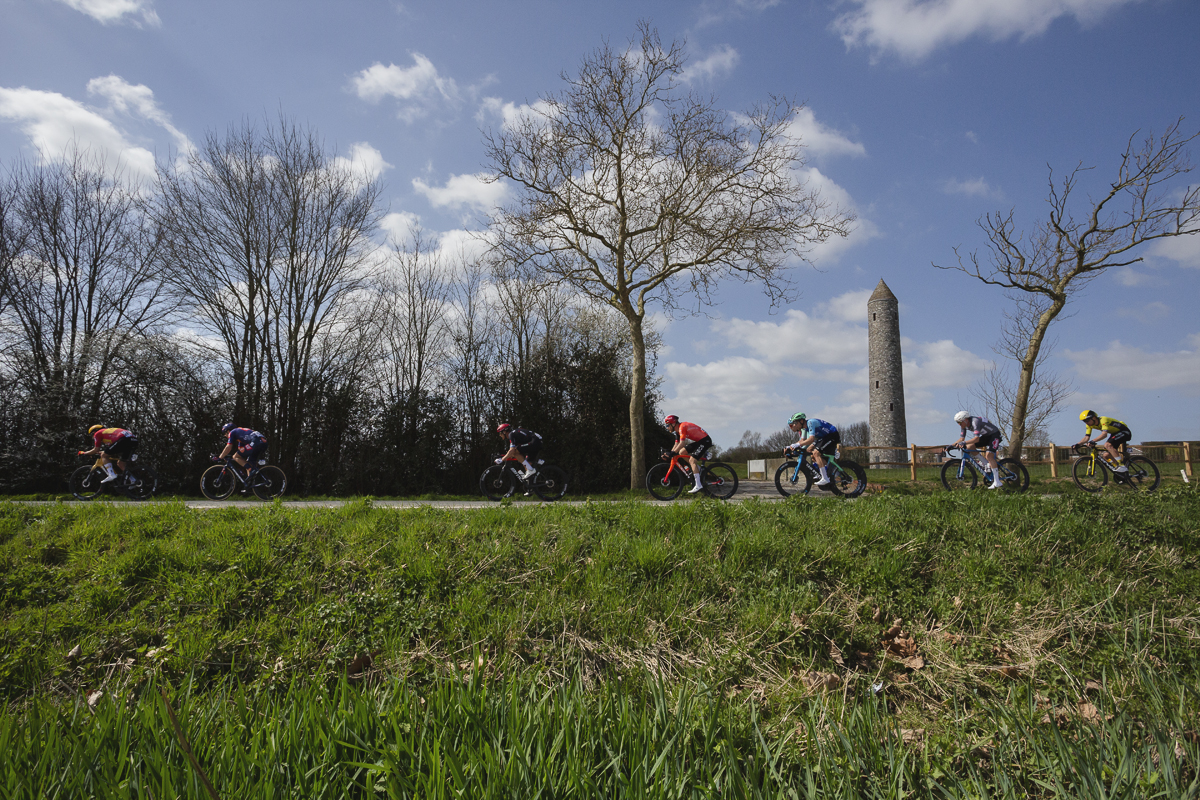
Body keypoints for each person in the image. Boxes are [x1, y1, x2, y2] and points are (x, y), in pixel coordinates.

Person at [785, 413, 839, 487]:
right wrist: (790, 446)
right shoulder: (804, 428)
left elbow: (811, 439)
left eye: (795, 423)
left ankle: (825, 478)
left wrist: (798, 445)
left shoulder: (810, 423)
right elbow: (802, 440)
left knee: (816, 453)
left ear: (801, 421)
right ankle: (824, 472)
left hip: (832, 435)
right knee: (814, 453)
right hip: (824, 438)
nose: (794, 425)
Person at [663, 414, 713, 494]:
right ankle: (698, 469)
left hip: (705, 441)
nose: (667, 427)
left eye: (667, 425)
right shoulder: (677, 432)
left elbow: (682, 443)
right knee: (681, 452)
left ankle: (698, 485)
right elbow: (676, 445)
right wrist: (670, 453)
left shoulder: (682, 427)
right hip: (699, 441)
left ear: (673, 424)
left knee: (692, 460)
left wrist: (672, 453)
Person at [953, 411, 1003, 489]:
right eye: (957, 423)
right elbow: (961, 439)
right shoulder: (964, 426)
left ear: (966, 420)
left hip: (994, 435)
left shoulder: (975, 422)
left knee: (989, 455)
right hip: (986, 436)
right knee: (969, 447)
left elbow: (976, 439)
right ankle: (986, 464)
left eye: (960, 422)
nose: (959, 424)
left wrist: (964, 443)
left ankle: (997, 482)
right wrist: (950, 445)